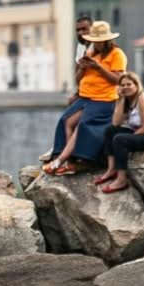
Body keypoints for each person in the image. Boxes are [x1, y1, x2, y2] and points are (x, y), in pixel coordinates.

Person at [43, 20, 126, 176]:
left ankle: (67, 160)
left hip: (104, 98)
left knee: (84, 125)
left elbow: (118, 79)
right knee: (66, 121)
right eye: (95, 41)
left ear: (107, 40)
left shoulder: (117, 54)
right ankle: (67, 157)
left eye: (100, 41)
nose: (97, 44)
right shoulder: (90, 53)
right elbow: (78, 80)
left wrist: (98, 67)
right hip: (86, 97)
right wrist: (82, 68)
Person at [94, 72, 144, 194]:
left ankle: (121, 180)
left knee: (120, 139)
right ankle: (111, 170)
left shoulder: (143, 97)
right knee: (111, 131)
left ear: (137, 85)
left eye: (129, 84)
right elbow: (116, 123)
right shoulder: (128, 101)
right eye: (122, 85)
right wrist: (120, 99)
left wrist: (126, 139)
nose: (125, 87)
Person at [39, 15, 94, 170]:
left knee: (70, 120)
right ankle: (61, 153)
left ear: (93, 29)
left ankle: (65, 156)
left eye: (84, 29)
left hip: (98, 96)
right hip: (85, 93)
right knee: (66, 118)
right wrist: (77, 93)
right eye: (78, 30)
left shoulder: (97, 49)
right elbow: (79, 76)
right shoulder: (81, 47)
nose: (81, 33)